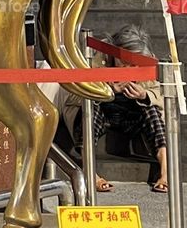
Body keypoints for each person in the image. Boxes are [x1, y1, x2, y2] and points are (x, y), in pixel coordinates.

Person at [62, 24, 168, 193]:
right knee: (91, 106)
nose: (128, 69)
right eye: (124, 62)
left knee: (152, 109)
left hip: (132, 116)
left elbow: (163, 95)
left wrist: (143, 95)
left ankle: (165, 171)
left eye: (134, 65)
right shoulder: (96, 58)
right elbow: (74, 94)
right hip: (103, 113)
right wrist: (106, 90)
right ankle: (91, 172)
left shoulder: (146, 62)